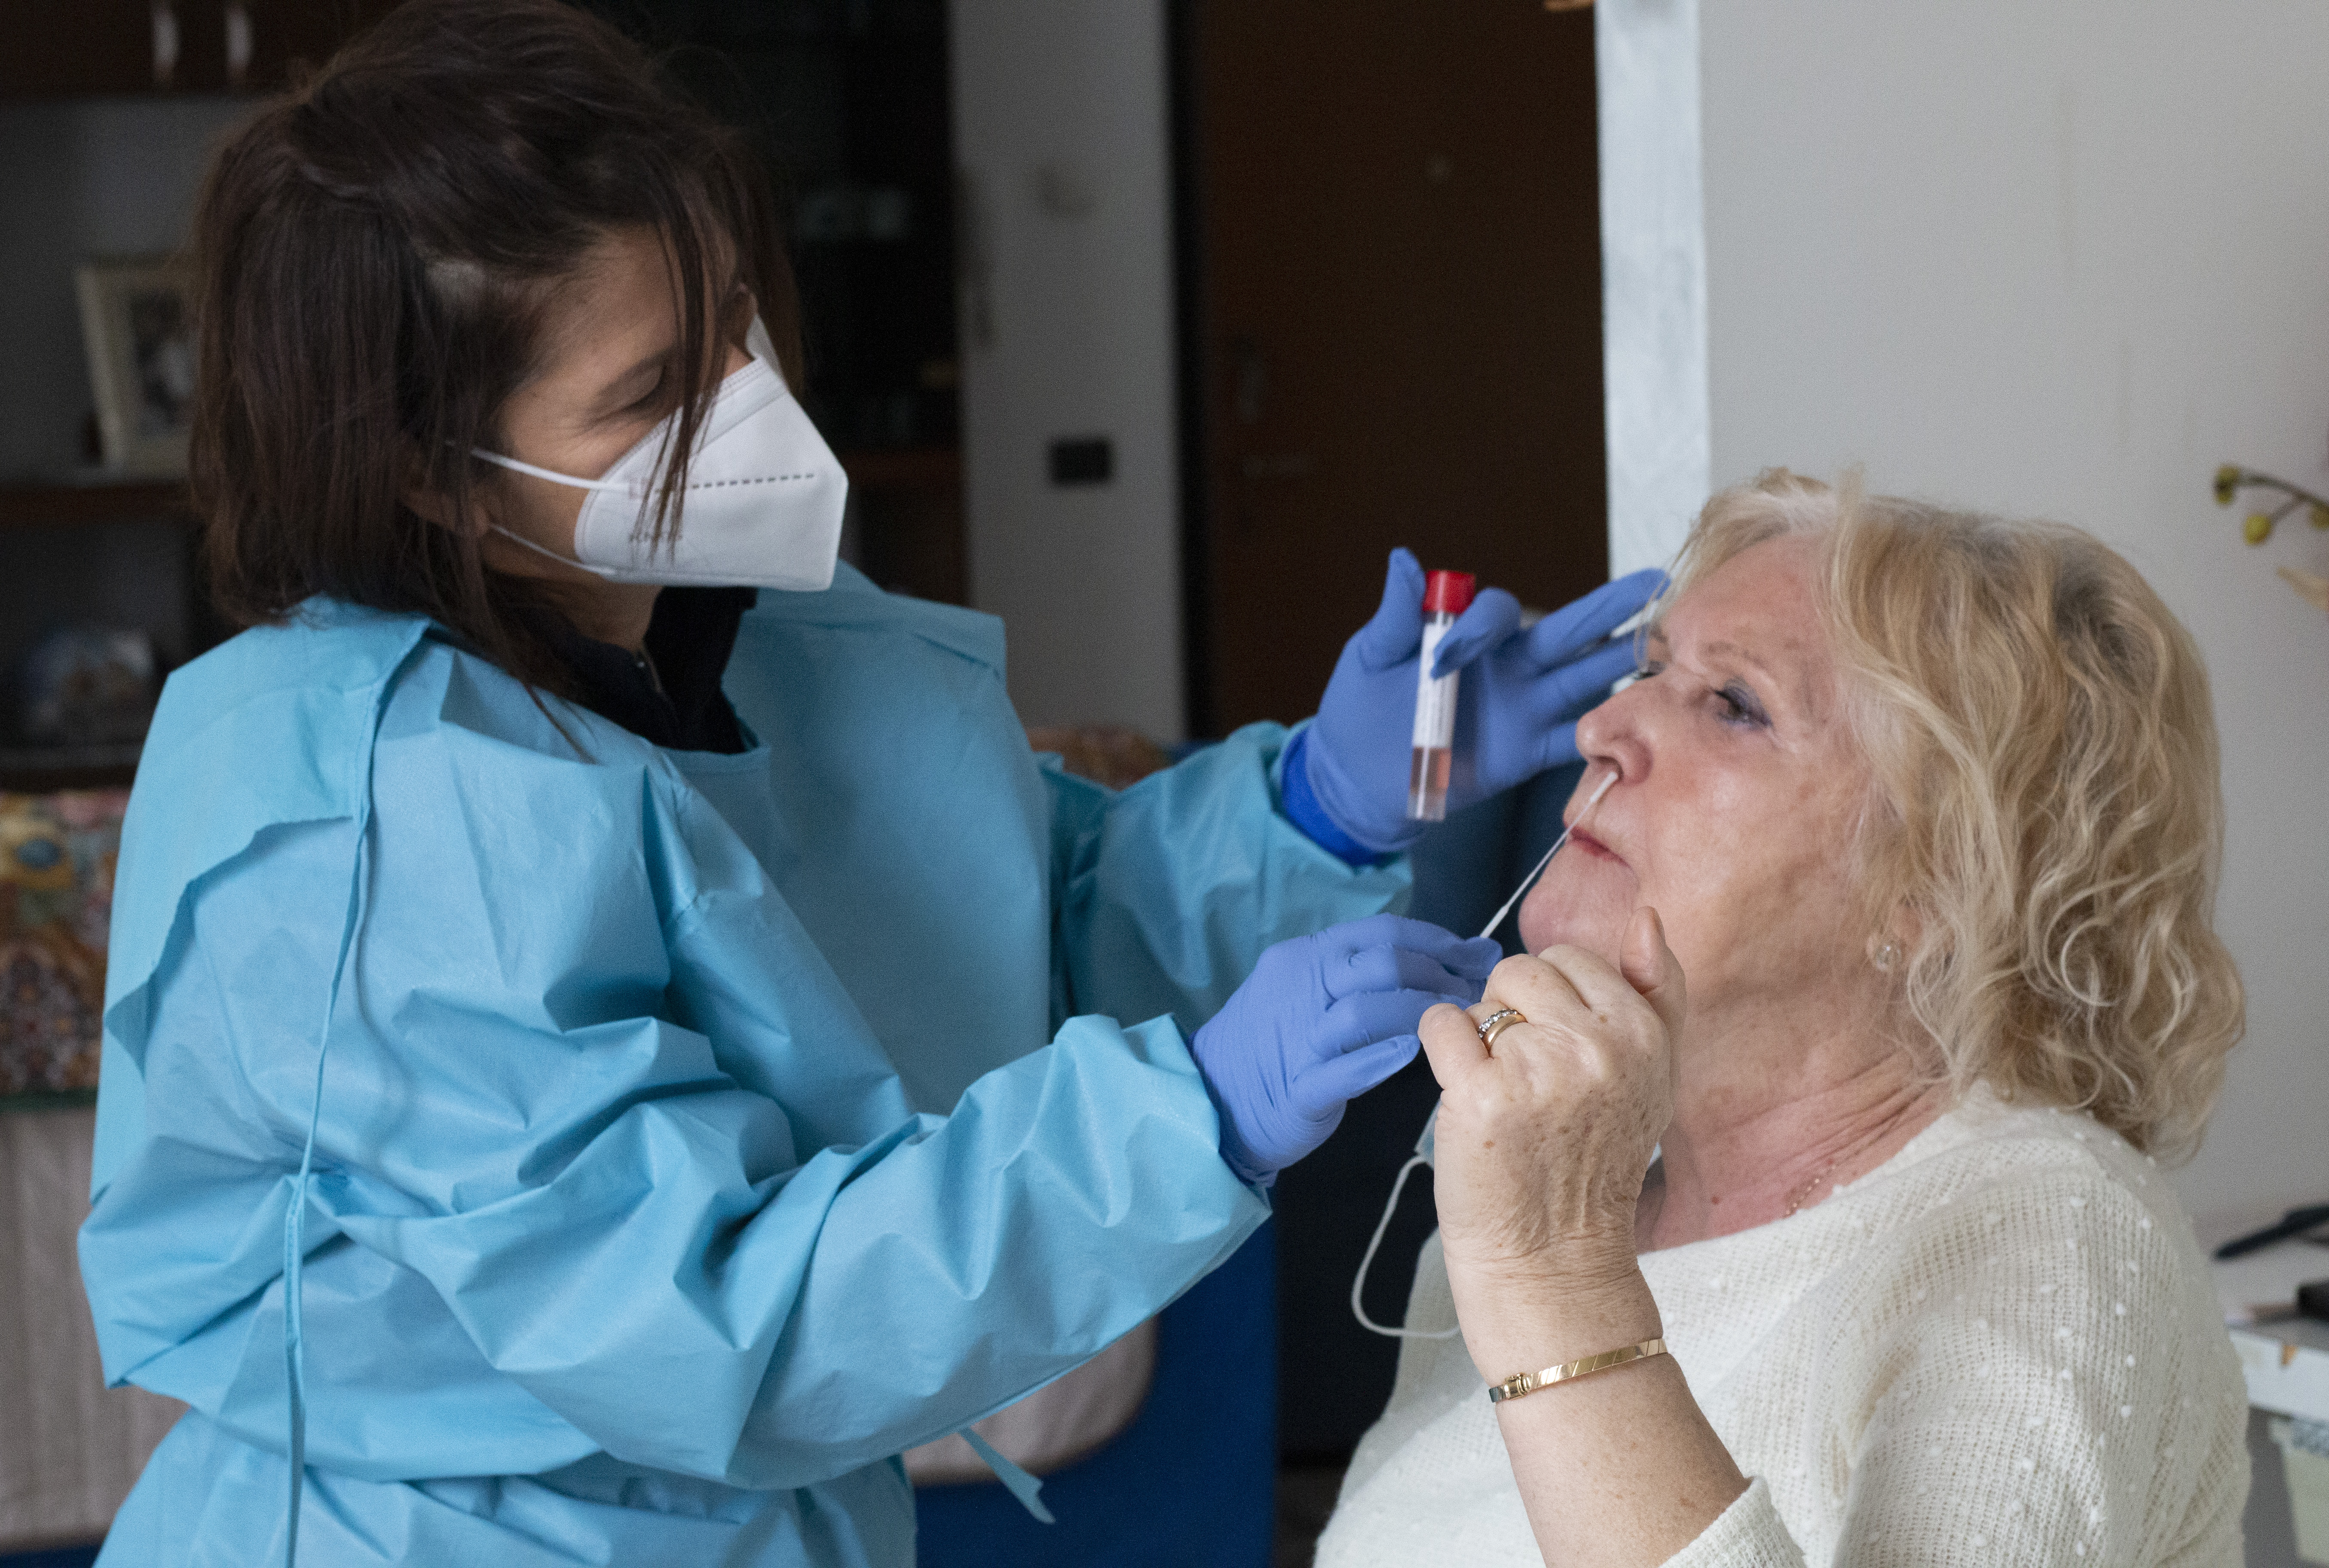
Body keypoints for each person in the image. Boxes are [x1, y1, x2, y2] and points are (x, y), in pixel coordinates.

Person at [73, 4, 1662, 1565]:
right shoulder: (380, 828)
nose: (747, 408)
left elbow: (1008, 927)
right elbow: (723, 1320)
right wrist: (1194, 1114)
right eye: (650, 394)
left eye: (739, 333)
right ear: (434, 469)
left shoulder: (759, 636)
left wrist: (1320, 802)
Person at [1319, 472, 2249, 1567]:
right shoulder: (1564, 1200)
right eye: (1651, 669)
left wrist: (1556, 1293)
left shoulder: (2052, 1235)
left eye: (1735, 704)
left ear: (1938, 884)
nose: (1604, 728)